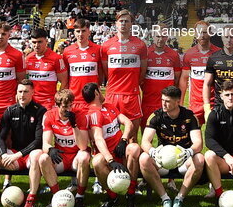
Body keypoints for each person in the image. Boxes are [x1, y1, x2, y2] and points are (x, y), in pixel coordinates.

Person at [139, 85, 205, 207]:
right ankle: (165, 198)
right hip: (162, 160)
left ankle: (180, 198)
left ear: (177, 101)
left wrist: (189, 152)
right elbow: (145, 141)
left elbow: (198, 142)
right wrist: (153, 151)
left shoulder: (190, 116)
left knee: (200, 158)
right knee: (143, 158)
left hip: (183, 160)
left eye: (167, 101)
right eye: (162, 100)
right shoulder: (156, 116)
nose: (164, 103)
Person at [0, 79, 45, 207]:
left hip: (30, 157)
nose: (22, 95)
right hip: (14, 156)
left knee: (36, 155)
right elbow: (1, 138)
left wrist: (17, 155)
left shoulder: (40, 111)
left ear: (33, 92)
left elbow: (39, 141)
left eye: (26, 92)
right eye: (20, 91)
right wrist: (4, 154)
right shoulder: (10, 111)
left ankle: (31, 199)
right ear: (16, 93)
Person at [82, 82, 143, 207]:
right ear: (97, 93)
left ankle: (130, 194)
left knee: (134, 148)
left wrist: (123, 140)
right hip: (107, 157)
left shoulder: (109, 107)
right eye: (100, 90)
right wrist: (110, 159)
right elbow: (98, 139)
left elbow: (128, 123)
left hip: (121, 151)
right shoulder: (93, 114)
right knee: (97, 161)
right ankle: (112, 196)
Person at [32, 88, 90, 207]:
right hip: (61, 157)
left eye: (70, 106)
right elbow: (45, 144)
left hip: (76, 156)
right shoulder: (49, 115)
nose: (68, 110)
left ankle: (80, 196)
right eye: (64, 107)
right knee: (43, 158)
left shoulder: (80, 115)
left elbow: (83, 146)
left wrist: (74, 125)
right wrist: (51, 149)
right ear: (57, 105)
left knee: (84, 156)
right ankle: (57, 196)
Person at [100, 9, 148, 139]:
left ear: (132, 24)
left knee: (132, 137)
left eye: (127, 21)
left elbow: (143, 71)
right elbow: (106, 71)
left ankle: (131, 159)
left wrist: (133, 85)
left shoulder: (140, 45)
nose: (123, 24)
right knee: (109, 135)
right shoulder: (106, 46)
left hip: (131, 95)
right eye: (121, 21)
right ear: (116, 23)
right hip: (112, 95)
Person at [61, 19, 102, 116]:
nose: (80, 34)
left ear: (89, 31)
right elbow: (66, 76)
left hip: (92, 98)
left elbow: (101, 74)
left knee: (94, 129)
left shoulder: (98, 49)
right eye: (78, 31)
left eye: (83, 31)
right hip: (74, 99)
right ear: (74, 32)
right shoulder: (67, 51)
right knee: (76, 129)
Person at [142, 26, 182, 121]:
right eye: (158, 36)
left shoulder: (174, 55)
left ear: (167, 37)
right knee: (146, 130)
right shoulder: (145, 53)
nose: (160, 39)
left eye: (163, 36)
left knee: (167, 133)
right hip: (148, 100)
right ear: (153, 35)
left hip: (167, 101)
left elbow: (177, 78)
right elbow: (141, 77)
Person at [22, 29, 68, 110]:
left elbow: (64, 81)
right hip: (31, 102)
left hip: (49, 103)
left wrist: (58, 98)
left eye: (40, 42)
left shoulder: (56, 58)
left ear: (46, 41)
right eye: (34, 42)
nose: (36, 45)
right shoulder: (28, 58)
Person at [180, 21, 216, 121]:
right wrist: (181, 103)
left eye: (205, 32)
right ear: (195, 34)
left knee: (215, 135)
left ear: (210, 33)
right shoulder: (189, 54)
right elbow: (184, 79)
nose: (202, 35)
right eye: (199, 32)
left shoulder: (218, 53)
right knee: (194, 134)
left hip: (214, 102)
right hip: (195, 103)